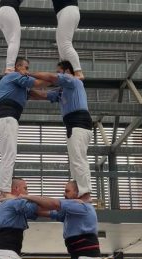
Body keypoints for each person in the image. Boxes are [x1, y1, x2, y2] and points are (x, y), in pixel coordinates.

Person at [20, 180, 104, 259]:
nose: (64, 194)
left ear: (78, 193)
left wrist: (27, 197)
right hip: (79, 258)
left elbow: (54, 204)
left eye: (67, 191)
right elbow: (48, 212)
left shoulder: (82, 206)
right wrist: (23, 207)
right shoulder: (71, 212)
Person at [29, 61, 92, 197]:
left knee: (78, 159)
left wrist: (28, 74)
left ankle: (85, 193)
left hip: (78, 123)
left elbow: (51, 77)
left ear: (67, 72)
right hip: (73, 125)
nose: (57, 74)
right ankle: (78, 191)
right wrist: (26, 89)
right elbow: (43, 95)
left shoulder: (72, 80)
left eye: (59, 72)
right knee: (75, 160)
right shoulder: (62, 91)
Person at [0, 57, 50, 200]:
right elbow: (39, 83)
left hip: (7, 119)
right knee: (9, 155)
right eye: (25, 68)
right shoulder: (14, 76)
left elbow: (39, 94)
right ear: (17, 67)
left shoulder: (19, 85)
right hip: (7, 118)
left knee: (9, 154)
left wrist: (57, 94)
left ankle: (4, 190)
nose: (27, 71)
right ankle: (4, 192)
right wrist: (62, 79)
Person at [51, 0, 84, 80]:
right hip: (66, 11)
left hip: (68, 10)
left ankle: (78, 72)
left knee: (65, 45)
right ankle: (69, 72)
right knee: (62, 49)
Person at [0, 0, 24, 74]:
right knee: (14, 40)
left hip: (0, 12)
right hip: (9, 10)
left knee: (11, 42)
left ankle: (10, 66)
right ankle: (10, 68)